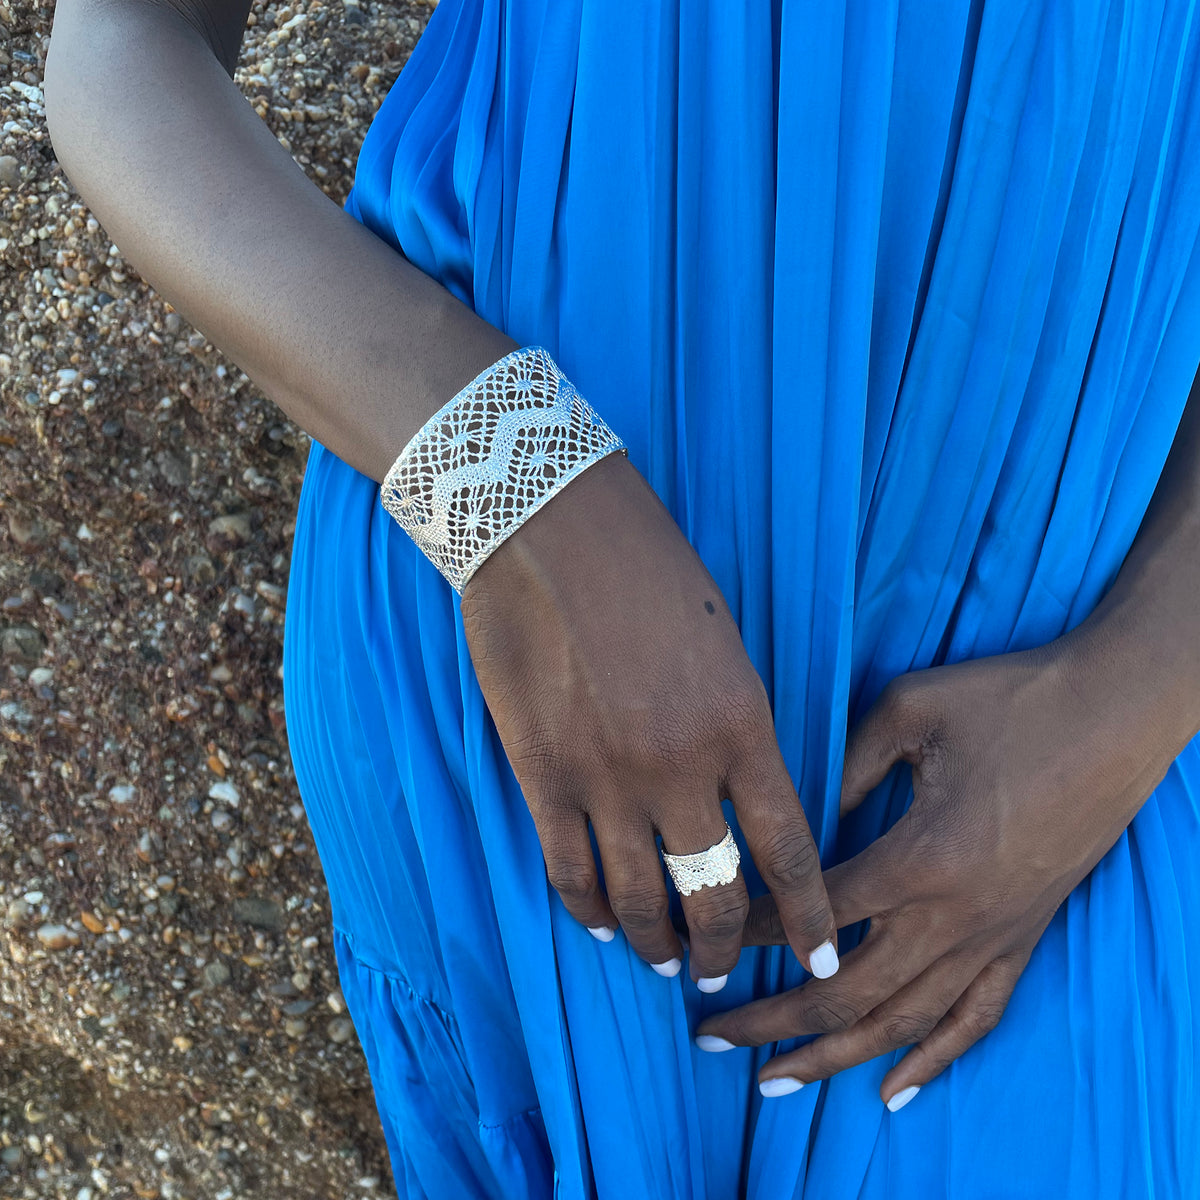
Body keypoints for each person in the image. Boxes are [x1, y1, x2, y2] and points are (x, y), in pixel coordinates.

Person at [45, 0, 1200, 1196]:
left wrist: (1130, 700)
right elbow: (123, 47)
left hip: (1054, 747)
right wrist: (516, 493)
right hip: (533, 690)